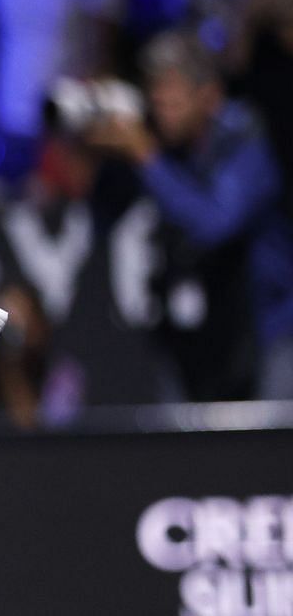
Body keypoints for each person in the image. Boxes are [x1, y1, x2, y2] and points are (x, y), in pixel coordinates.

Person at [85, 30, 293, 401]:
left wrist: (145, 156)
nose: (162, 112)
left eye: (174, 101)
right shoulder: (165, 148)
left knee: (269, 452)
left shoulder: (244, 138)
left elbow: (216, 222)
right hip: (196, 336)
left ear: (209, 96)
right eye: (157, 99)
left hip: (269, 334)